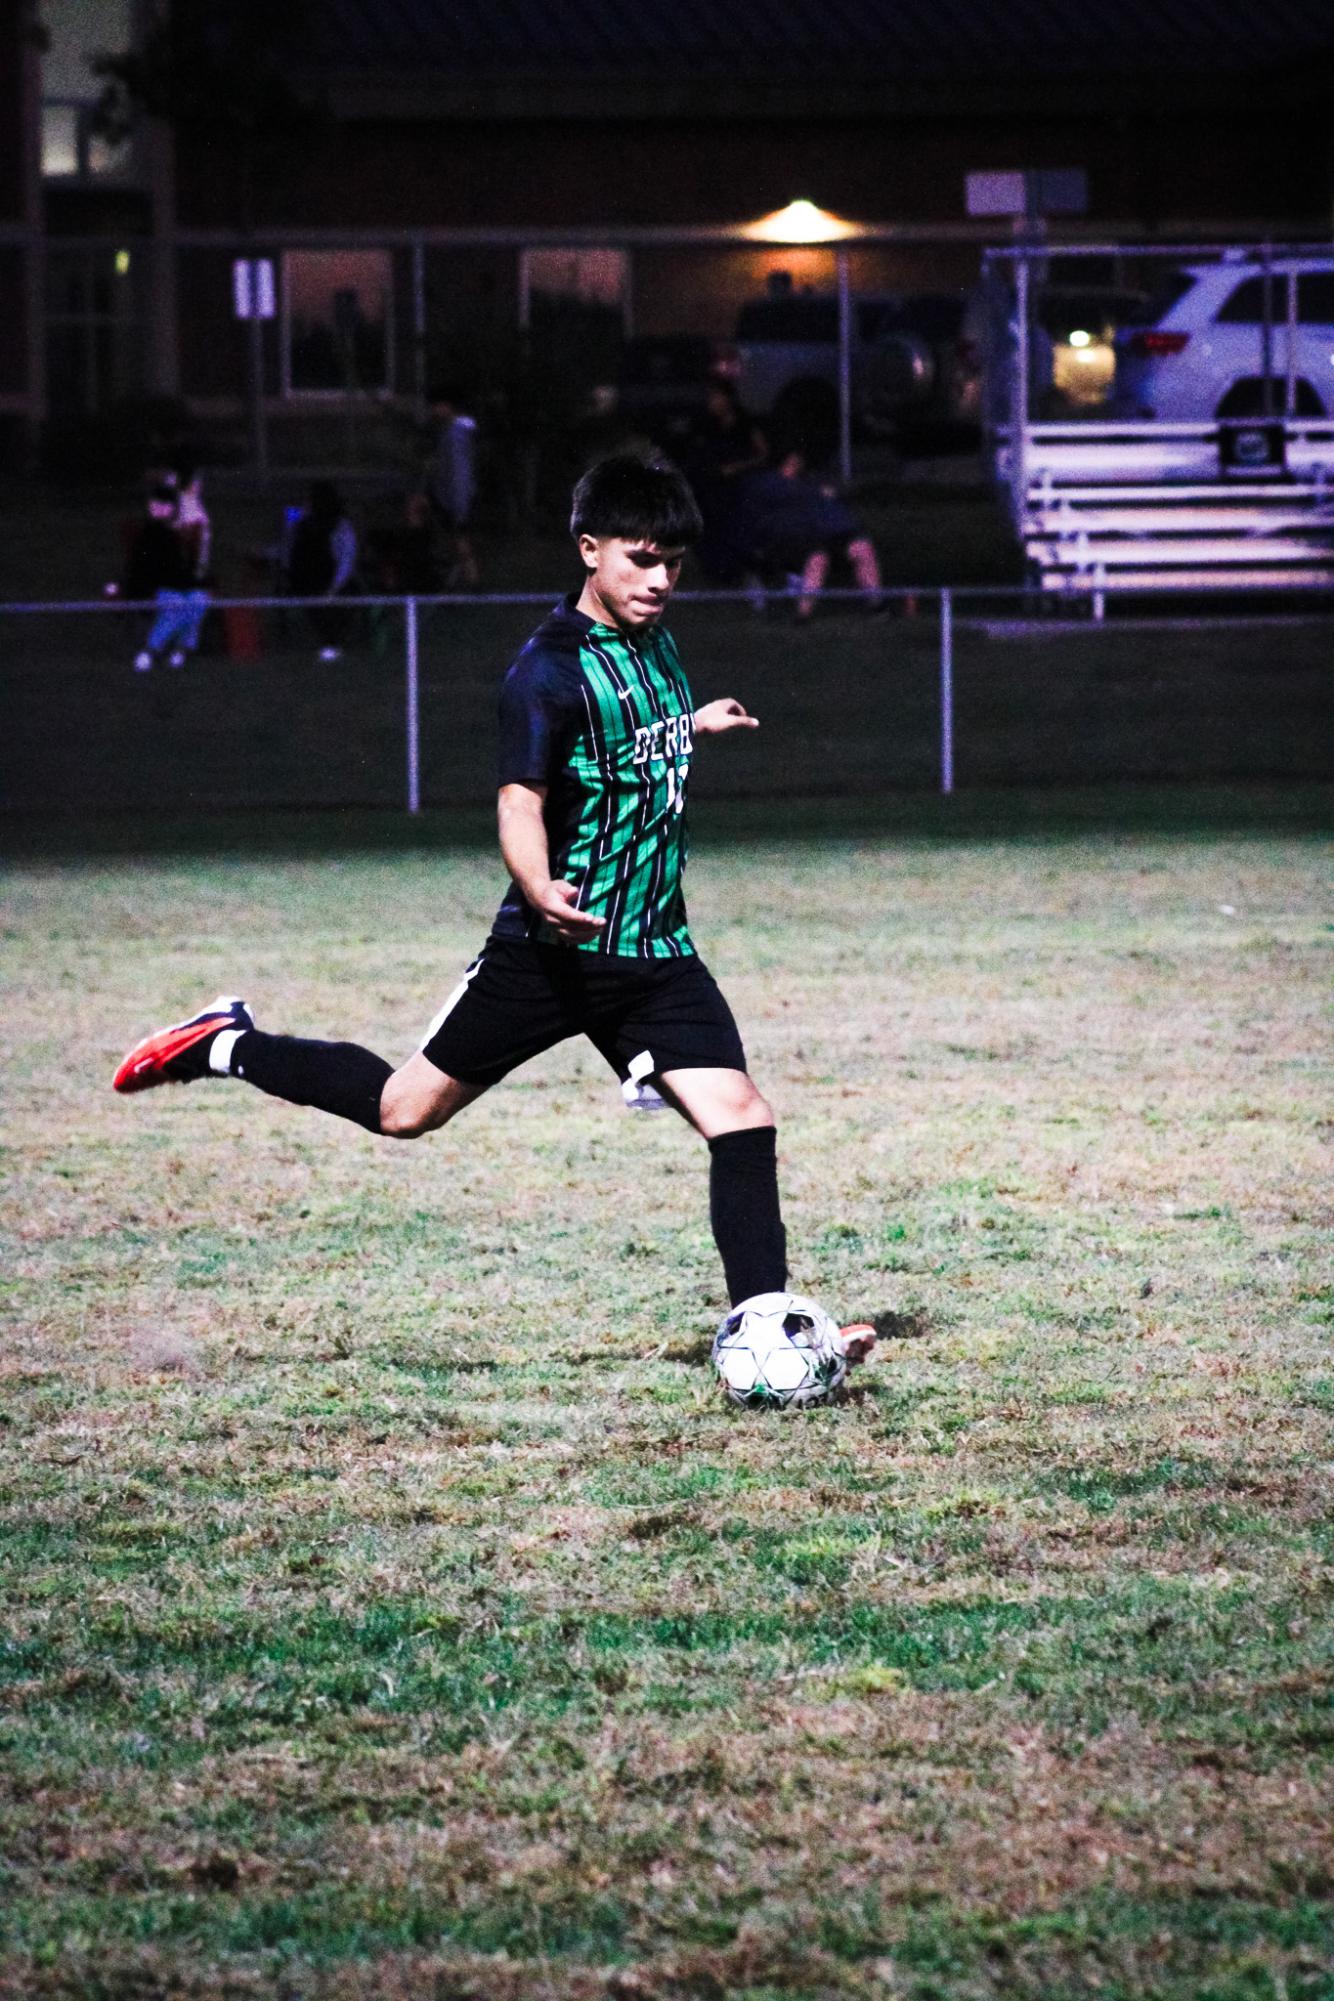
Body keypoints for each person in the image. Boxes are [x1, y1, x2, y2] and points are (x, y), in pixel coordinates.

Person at [111, 450, 875, 1359]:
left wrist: (691, 723)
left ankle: (766, 1328)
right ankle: (224, 1042)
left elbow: (626, 742)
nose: (661, 579)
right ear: (588, 550)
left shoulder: (656, 644)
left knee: (742, 1117)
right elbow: (520, 801)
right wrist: (538, 884)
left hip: (656, 952)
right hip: (551, 952)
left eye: (673, 561)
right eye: (641, 559)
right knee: (404, 1109)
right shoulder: (543, 671)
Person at [737, 448, 884, 621]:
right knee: (817, 558)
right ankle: (802, 615)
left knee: (862, 549)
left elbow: (841, 489)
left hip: (833, 535)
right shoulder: (767, 483)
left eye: (798, 459)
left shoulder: (811, 481)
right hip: (795, 541)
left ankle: (877, 607)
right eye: (792, 459)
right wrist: (815, 493)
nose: (797, 463)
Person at [118, 484, 209, 672]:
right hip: (150, 586)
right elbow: (141, 568)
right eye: (156, 505)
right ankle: (150, 651)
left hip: (175, 584)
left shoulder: (177, 534)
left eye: (165, 505)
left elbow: (182, 568)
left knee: (198, 599)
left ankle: (181, 649)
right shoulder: (148, 533)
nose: (160, 509)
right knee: (176, 604)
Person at [286, 480, 359, 661]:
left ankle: (332, 645)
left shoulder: (339, 526)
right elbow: (288, 550)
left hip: (331, 584)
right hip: (305, 585)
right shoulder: (301, 525)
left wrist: (333, 588)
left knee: (332, 612)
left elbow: (346, 560)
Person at [427, 386, 480, 588]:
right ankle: (464, 582)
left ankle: (470, 583)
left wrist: (459, 506)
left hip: (457, 501)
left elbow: (460, 472)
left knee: (461, 543)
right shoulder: (452, 432)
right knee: (457, 543)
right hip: (453, 499)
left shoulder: (456, 434)